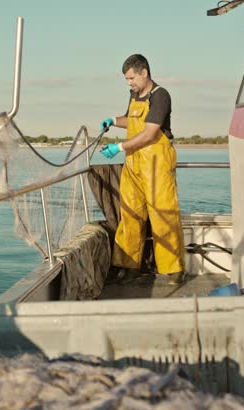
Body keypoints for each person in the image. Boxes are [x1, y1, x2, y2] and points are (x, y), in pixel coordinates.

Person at [99, 54, 186, 285]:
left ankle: (174, 269)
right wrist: (113, 120)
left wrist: (118, 146)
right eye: (127, 80)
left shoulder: (160, 96)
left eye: (131, 78)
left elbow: (149, 133)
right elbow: (131, 120)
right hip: (134, 163)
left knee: (162, 214)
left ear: (144, 72)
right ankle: (130, 266)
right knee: (130, 214)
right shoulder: (135, 95)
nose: (130, 83)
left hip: (156, 162)